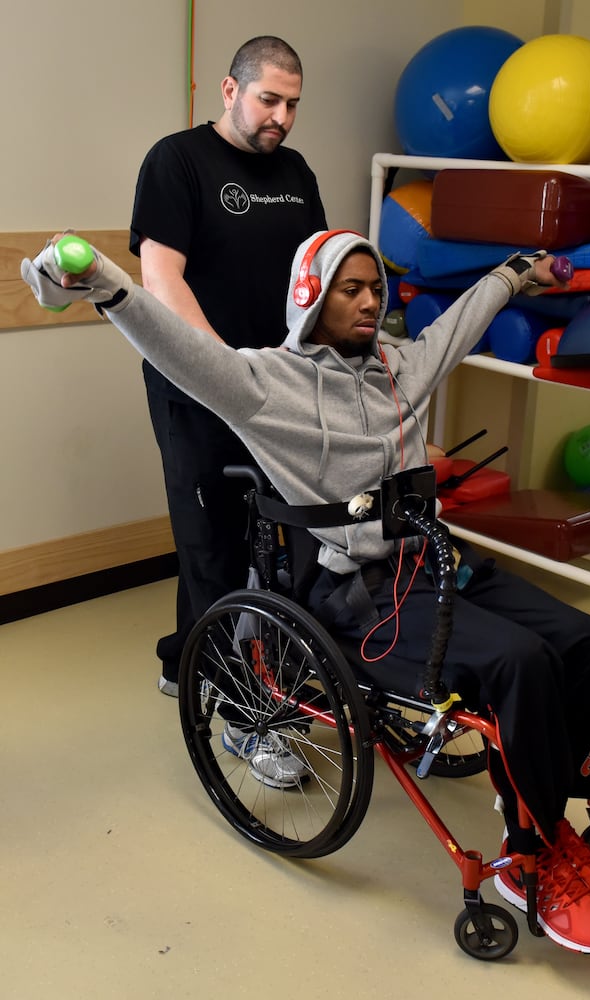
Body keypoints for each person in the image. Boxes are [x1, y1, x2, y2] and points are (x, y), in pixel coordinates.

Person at [22, 230, 590, 956]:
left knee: (583, 639)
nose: (370, 302)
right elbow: (176, 348)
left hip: (436, 562)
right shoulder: (263, 384)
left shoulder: (397, 367)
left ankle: (548, 819)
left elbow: (459, 325)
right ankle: (530, 859)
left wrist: (513, 273)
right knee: (519, 662)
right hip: (359, 595)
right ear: (310, 294)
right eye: (352, 289)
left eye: (376, 288)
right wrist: (104, 282)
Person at [129, 36, 327, 696]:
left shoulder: (296, 173)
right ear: (230, 90)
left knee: (272, 532)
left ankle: (187, 659)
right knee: (209, 536)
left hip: (277, 384)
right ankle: (238, 706)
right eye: (269, 100)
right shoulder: (178, 160)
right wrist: (225, 369)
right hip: (196, 384)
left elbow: (316, 274)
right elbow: (161, 277)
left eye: (292, 105)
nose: (282, 117)